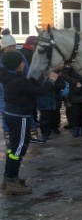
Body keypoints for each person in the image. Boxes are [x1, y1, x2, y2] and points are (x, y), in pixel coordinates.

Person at [0, 51, 58, 195]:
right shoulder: (17, 81)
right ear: (14, 65)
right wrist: (51, 81)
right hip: (20, 117)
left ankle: (8, 178)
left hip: (12, 115)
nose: (24, 63)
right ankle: (12, 182)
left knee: (13, 147)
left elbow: (29, 84)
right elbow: (36, 91)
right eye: (21, 62)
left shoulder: (9, 76)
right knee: (18, 148)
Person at [60, 65, 82, 137]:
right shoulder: (71, 64)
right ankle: (76, 128)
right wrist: (75, 82)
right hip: (75, 92)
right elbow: (64, 75)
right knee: (76, 113)